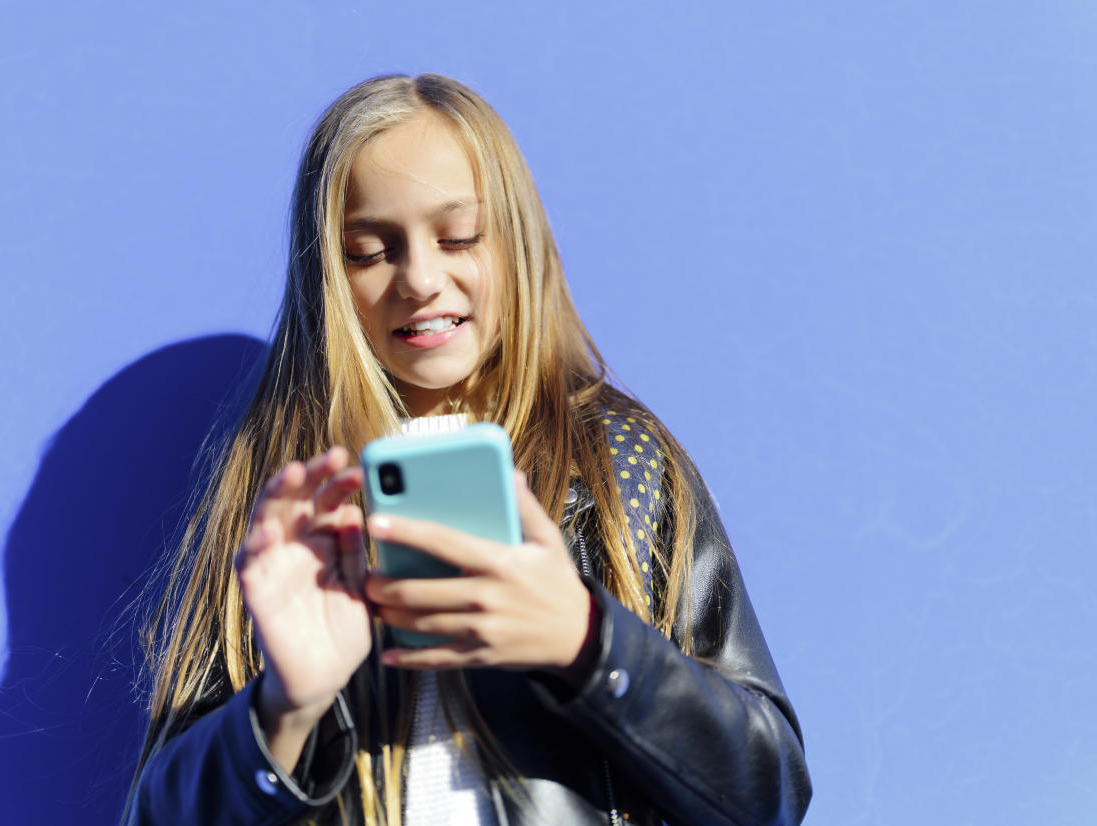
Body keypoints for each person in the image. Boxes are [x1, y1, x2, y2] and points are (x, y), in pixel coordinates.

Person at [127, 73, 811, 825]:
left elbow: (766, 792)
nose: (420, 278)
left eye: (458, 238)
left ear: (515, 241)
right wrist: (285, 711)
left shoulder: (620, 462)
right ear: (326, 272)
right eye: (368, 250)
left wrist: (587, 644)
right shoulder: (285, 500)